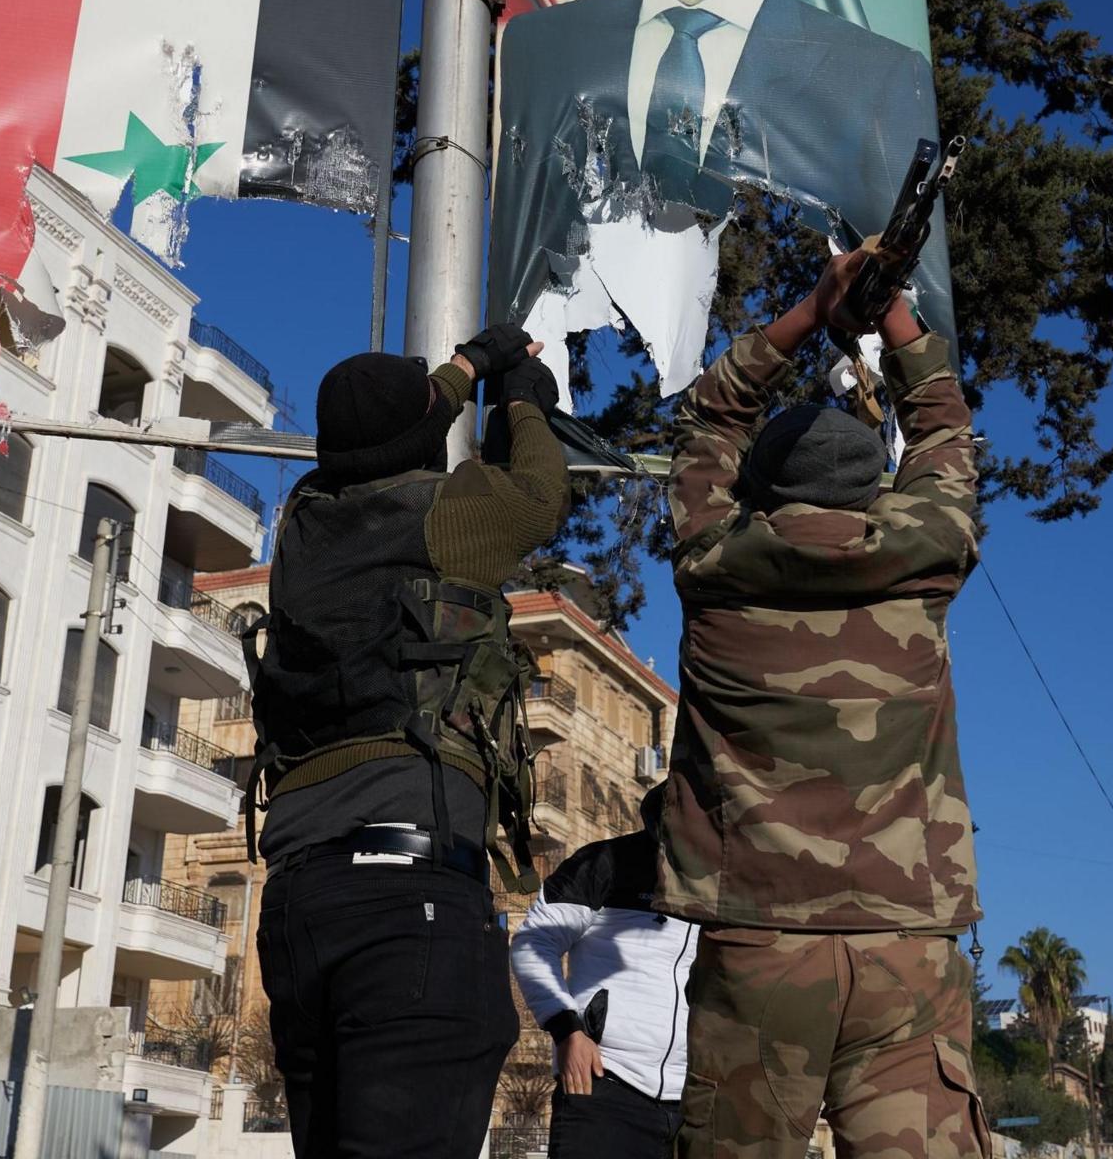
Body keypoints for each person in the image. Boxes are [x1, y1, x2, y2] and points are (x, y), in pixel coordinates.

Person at [656, 251, 984, 1158]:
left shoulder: (713, 571)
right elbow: (943, 429)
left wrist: (810, 309)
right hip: (907, 940)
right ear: (873, 489)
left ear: (756, 489)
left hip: (761, 940)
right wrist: (896, 319)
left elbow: (709, 417)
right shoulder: (924, 558)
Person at [489, 0, 948, 390]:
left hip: (802, 427)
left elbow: (909, 277)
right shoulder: (541, 45)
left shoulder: (874, 72)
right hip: (577, 426)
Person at [247, 322, 571, 1158]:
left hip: (297, 904)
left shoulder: (304, 523)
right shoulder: (445, 515)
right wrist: (527, 405)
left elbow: (391, 435)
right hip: (406, 900)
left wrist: (467, 368)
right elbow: (538, 497)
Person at [512, 787, 702, 1159]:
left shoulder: (729, 888)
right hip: (603, 1085)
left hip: (698, 1099)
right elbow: (533, 943)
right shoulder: (608, 862)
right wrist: (566, 1029)